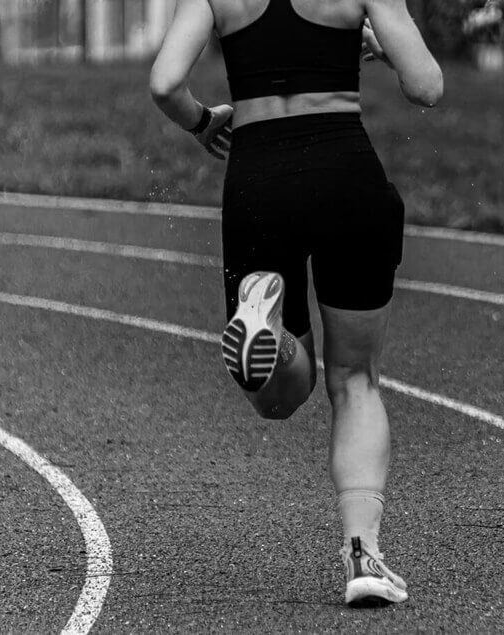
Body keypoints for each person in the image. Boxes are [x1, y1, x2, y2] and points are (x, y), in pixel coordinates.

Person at [150, 0, 442, 607]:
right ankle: (363, 556)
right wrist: (385, 48)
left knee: (281, 399)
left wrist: (204, 122)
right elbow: (427, 87)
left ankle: (270, 332)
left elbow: (164, 84)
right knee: (356, 380)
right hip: (347, 175)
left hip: (259, 181)